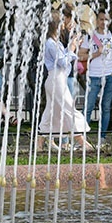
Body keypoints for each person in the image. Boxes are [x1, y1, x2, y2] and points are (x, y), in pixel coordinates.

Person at [36, 14, 92, 152]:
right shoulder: (50, 43)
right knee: (68, 108)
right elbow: (61, 62)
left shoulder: (55, 42)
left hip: (57, 78)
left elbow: (63, 62)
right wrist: (72, 50)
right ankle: (81, 141)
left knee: (51, 111)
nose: (64, 25)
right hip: (56, 80)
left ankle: (39, 142)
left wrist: (72, 47)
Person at [79, 9, 112, 142]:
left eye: (106, 20)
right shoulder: (89, 37)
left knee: (106, 108)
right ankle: (81, 138)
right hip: (94, 76)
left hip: (110, 76)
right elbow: (80, 55)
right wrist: (96, 54)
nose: (104, 22)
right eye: (101, 19)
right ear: (97, 21)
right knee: (88, 107)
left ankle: (102, 137)